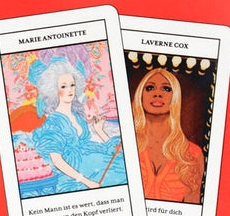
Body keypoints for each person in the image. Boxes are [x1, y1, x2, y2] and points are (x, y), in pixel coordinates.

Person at [31, 60, 127, 193]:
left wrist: (99, 131)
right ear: (54, 90)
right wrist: (86, 181)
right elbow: (57, 160)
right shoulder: (53, 123)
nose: (70, 89)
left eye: (72, 85)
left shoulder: (77, 116)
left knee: (122, 163)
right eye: (63, 86)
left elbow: (110, 150)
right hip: (76, 174)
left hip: (92, 162)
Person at [132, 68, 204, 203]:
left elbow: (192, 207)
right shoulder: (123, 146)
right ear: (140, 96)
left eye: (166, 89)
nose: (157, 93)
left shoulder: (192, 154)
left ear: (175, 97)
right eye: (150, 88)